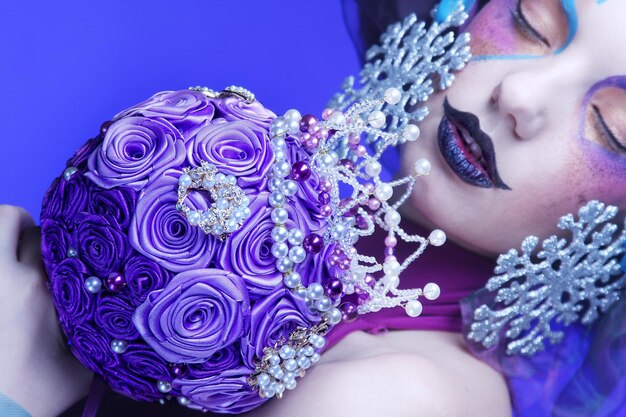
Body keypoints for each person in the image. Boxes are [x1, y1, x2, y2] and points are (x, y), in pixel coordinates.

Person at [2, 0, 625, 416]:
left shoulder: (401, 396)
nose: (519, 93)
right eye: (532, 19)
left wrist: (15, 390)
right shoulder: (297, 208)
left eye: (614, 127)